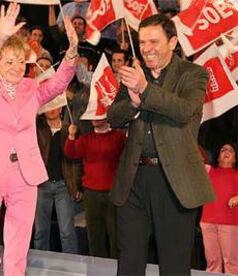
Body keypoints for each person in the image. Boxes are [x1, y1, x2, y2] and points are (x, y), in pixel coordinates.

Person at [0, 3, 78, 276]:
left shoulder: (32, 88)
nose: (15, 66)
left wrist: (72, 52)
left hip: (25, 176)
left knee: (17, 254)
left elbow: (60, 83)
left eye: (19, 60)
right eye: (8, 60)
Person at [107, 14, 215, 275]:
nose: (146, 48)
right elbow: (113, 117)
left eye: (153, 41)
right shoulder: (135, 74)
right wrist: (133, 102)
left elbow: (185, 111)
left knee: (174, 265)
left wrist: (145, 90)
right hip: (133, 181)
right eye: (142, 42)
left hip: (174, 183)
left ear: (173, 42)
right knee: (129, 262)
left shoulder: (194, 74)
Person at [65, 119, 125, 258]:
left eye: (98, 115)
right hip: (91, 193)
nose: (95, 119)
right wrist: (71, 136)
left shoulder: (118, 137)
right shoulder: (86, 139)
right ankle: (97, 270)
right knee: (95, 236)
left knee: (115, 235)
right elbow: (71, 153)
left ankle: (116, 270)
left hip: (113, 193)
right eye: (93, 115)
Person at [34, 107, 80, 254]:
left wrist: (78, 186)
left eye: (56, 105)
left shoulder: (70, 129)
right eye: (49, 105)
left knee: (67, 232)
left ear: (61, 108)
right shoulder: (37, 129)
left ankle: (71, 267)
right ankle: (40, 266)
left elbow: (78, 160)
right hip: (41, 185)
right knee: (40, 231)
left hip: (64, 186)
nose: (52, 109)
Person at [200, 143, 238, 274]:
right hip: (207, 222)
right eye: (223, 150)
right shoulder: (209, 170)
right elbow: (194, 158)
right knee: (212, 262)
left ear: (235, 159)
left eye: (231, 151)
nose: (226, 152)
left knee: (231, 263)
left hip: (230, 224)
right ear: (217, 157)